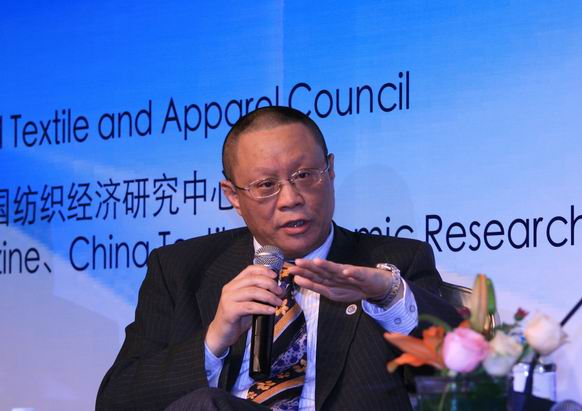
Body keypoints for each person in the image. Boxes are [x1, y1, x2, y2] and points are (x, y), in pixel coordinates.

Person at [96, 106, 461, 411]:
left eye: (305, 175)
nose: (291, 199)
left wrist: (388, 294)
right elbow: (116, 402)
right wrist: (214, 340)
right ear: (233, 196)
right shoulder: (180, 270)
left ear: (330, 170)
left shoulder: (393, 263)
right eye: (266, 185)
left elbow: (461, 370)